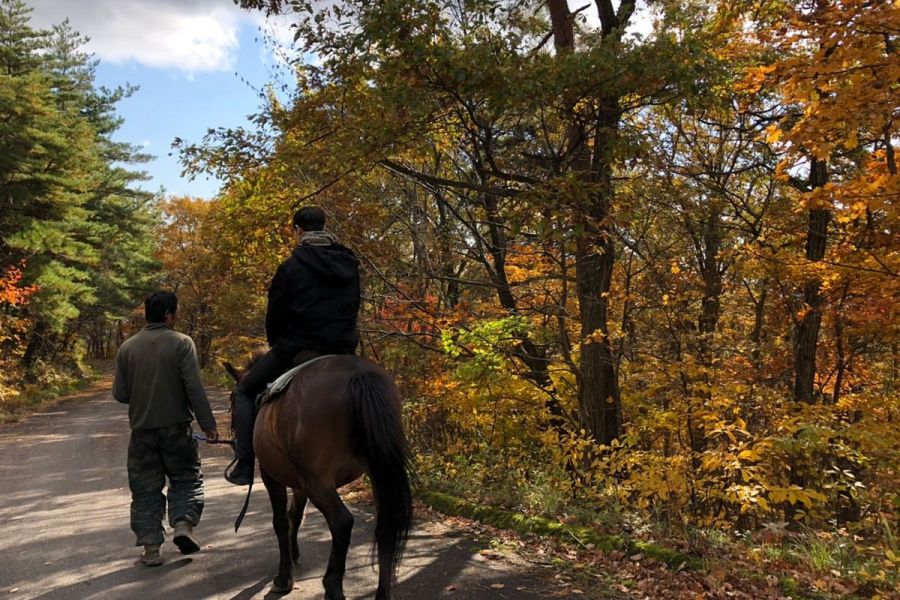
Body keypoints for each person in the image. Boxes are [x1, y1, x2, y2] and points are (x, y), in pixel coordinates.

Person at [225, 205, 361, 486]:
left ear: (297, 230)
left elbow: (275, 313)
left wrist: (278, 345)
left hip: (298, 346)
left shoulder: (290, 267)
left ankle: (245, 462)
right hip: (343, 349)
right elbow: (354, 304)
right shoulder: (349, 264)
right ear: (323, 227)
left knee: (245, 390)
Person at [113, 291, 219, 566]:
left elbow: (120, 394)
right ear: (169, 315)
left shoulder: (127, 348)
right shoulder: (182, 343)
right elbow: (193, 388)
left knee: (145, 489)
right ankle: (183, 526)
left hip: (142, 433)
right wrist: (208, 425)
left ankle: (151, 550)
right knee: (186, 479)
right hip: (177, 429)